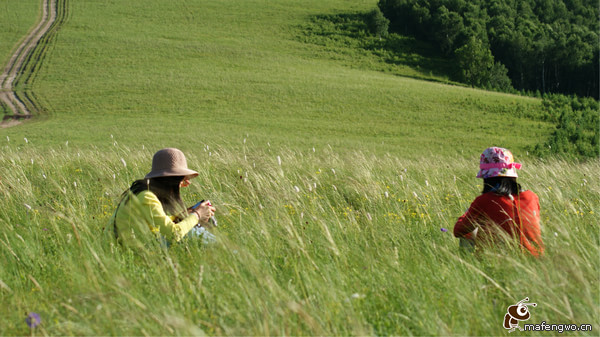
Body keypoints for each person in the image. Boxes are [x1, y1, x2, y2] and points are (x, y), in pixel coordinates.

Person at [110, 148, 216, 249]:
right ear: (173, 180)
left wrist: (180, 217)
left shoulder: (142, 193)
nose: (187, 183)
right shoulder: (147, 197)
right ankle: (225, 253)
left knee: (189, 228)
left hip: (132, 246)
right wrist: (197, 215)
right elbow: (173, 234)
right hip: (131, 249)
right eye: (183, 179)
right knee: (191, 232)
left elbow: (158, 224)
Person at [454, 147, 544, 256]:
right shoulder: (532, 197)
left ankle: (468, 265)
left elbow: (458, 230)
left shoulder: (485, 200)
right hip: (535, 261)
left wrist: (467, 213)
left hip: (496, 260)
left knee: (468, 232)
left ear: (487, 177)